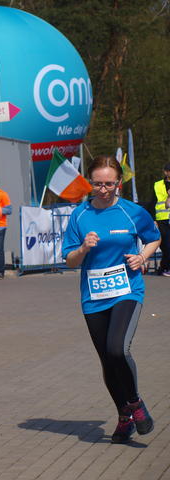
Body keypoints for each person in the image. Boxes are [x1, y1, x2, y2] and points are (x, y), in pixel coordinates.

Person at [62, 156, 160, 444]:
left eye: (109, 184)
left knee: (117, 349)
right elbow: (69, 260)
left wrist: (142, 257)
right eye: (97, 184)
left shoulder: (132, 212)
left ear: (119, 183)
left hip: (127, 290)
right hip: (94, 296)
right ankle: (123, 416)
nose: (103, 190)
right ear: (89, 183)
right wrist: (83, 248)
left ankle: (136, 403)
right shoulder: (79, 215)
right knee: (107, 359)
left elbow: (154, 238)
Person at [151, 162, 170, 276]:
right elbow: (152, 203)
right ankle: (164, 268)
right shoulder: (158, 185)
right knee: (166, 245)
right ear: (165, 172)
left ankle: (163, 268)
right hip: (162, 219)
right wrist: (153, 219)